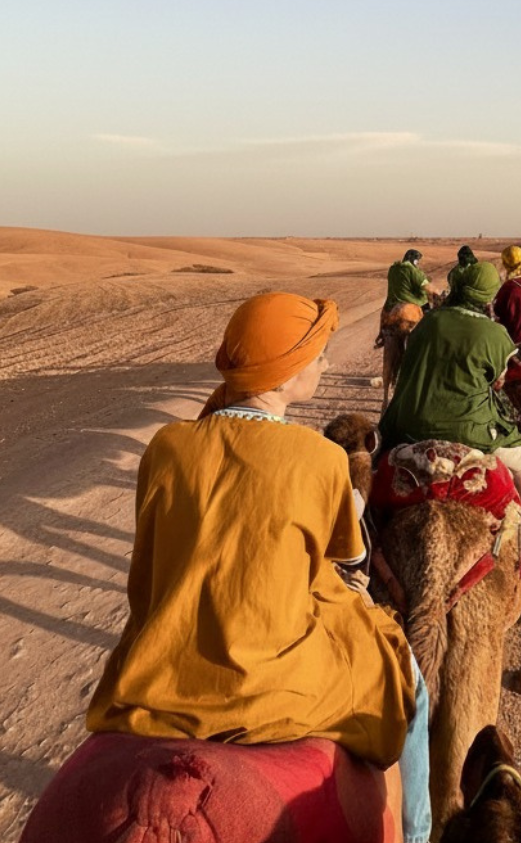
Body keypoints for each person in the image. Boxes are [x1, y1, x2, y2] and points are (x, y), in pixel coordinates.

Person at [86, 292, 432, 843]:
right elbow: (347, 560)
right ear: (288, 373)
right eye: (317, 357)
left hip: (161, 663)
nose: (327, 365)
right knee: (406, 676)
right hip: (269, 675)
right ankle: (416, 835)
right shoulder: (319, 458)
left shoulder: (166, 445)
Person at [378, 261, 521, 568]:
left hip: (407, 426)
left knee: (371, 460)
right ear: (488, 295)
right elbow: (498, 382)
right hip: (471, 432)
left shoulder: (426, 321)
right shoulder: (495, 334)